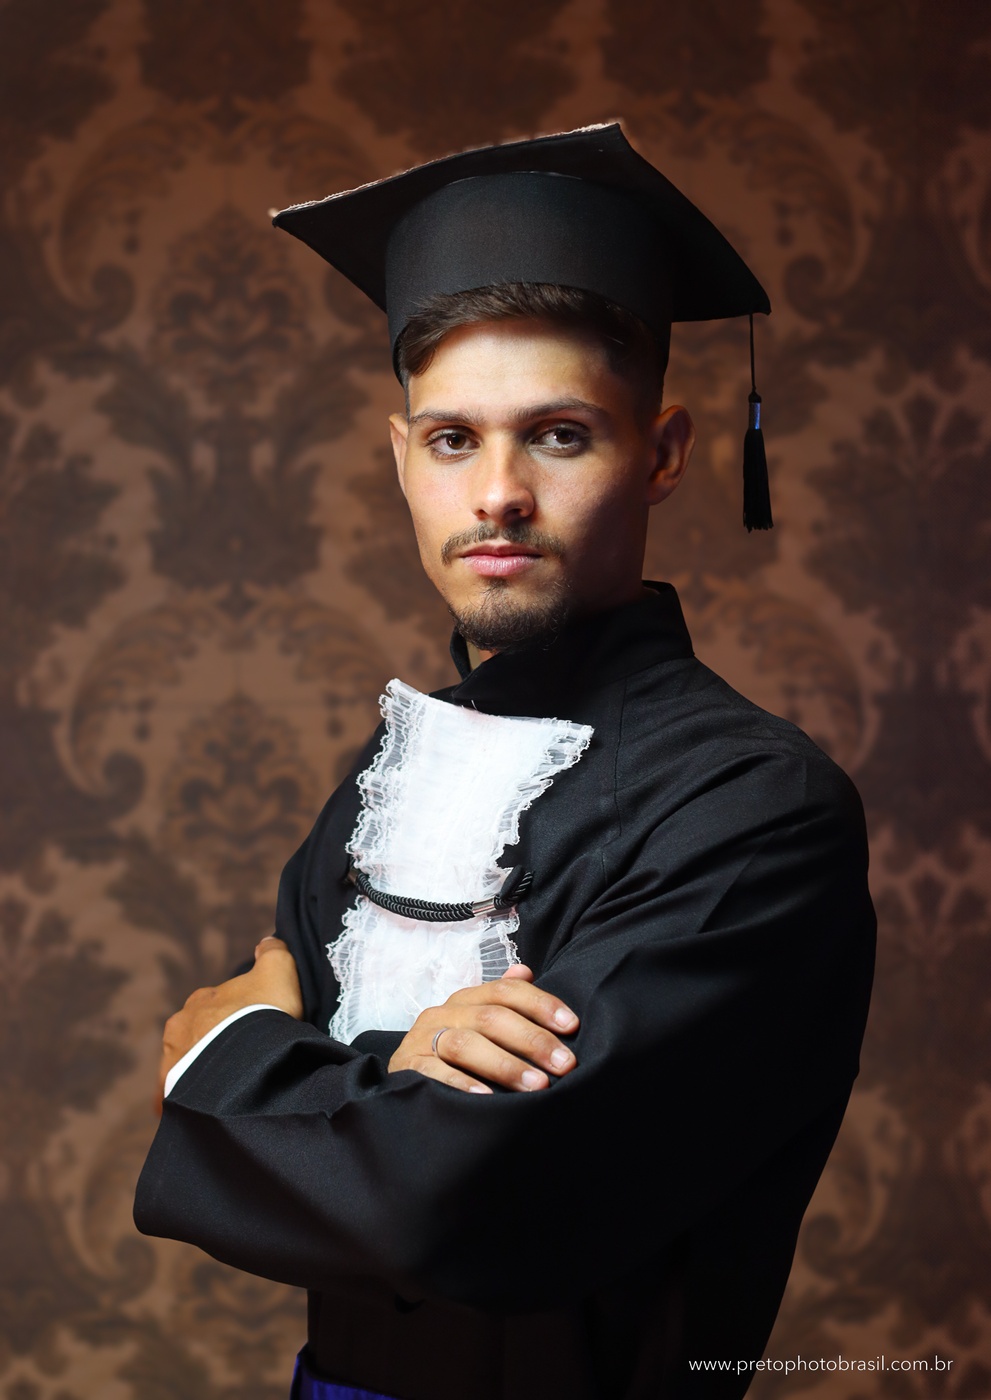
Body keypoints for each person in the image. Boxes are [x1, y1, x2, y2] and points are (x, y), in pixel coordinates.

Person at [134, 124, 875, 1400]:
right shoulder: (378, 784)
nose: (496, 495)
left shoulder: (756, 805)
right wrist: (403, 1066)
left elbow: (464, 1197)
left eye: (559, 435)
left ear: (663, 452)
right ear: (400, 459)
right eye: (451, 439)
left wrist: (233, 1054)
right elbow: (320, 1174)